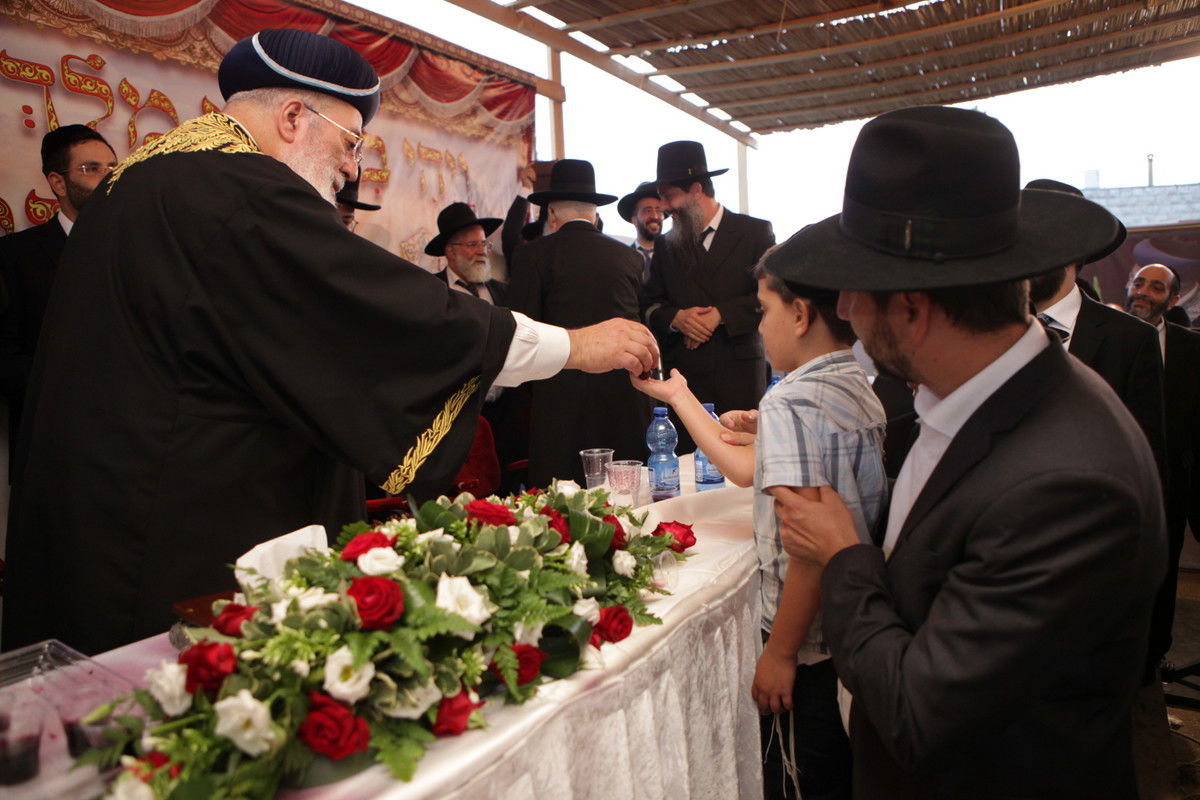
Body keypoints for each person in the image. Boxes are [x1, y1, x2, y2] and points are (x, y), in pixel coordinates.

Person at [1, 29, 657, 656]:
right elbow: (383, 314)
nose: (351, 168)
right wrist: (571, 346)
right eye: (350, 142)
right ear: (292, 117)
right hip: (173, 537)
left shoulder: (146, 184)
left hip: (99, 525)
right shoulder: (239, 191)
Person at [768, 106, 1164, 799]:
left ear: (914, 311)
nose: (849, 311)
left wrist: (844, 558)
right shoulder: (974, 398)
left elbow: (924, 716)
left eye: (857, 293)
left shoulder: (1066, 484)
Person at [633, 256, 885, 800]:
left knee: (798, 776)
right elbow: (745, 468)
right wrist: (679, 396)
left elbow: (810, 551)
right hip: (849, 631)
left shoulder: (792, 401)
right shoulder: (855, 383)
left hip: (807, 644)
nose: (759, 324)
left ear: (799, 315)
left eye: (765, 310)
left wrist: (780, 653)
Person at [507, 159, 650, 487]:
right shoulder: (630, 257)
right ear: (595, 215)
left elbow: (520, 332)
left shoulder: (532, 256)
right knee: (626, 502)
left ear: (552, 216)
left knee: (563, 507)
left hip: (560, 402)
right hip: (624, 401)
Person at [1026, 178, 1167, 474]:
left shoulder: (1130, 339)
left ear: (1076, 250)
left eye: (1041, 238)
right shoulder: (987, 328)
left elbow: (1147, 454)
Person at [642, 140, 774, 451]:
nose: (664, 207)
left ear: (697, 189)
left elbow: (770, 297)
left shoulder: (755, 232)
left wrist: (720, 315)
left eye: (670, 196)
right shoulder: (665, 244)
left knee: (741, 459)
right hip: (688, 379)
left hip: (738, 372)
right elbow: (647, 304)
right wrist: (678, 318)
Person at [0, 125, 117, 454]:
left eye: (113, 168)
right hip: (52, 445)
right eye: (91, 169)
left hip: (131, 447)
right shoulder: (16, 256)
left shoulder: (138, 250)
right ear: (57, 182)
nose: (107, 178)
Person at [1126, 263, 1200, 670]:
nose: (1144, 292)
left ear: (1172, 301)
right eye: (1139, 283)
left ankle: (1152, 659)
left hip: (1169, 484)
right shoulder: (1112, 338)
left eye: (1156, 287)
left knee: (1161, 572)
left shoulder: (1191, 349)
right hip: (1116, 480)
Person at [427, 201, 506, 305]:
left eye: (484, 243)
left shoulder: (502, 291)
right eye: (472, 244)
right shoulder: (430, 290)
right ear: (451, 251)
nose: (482, 251)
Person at [617, 180, 663, 283]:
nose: (655, 216)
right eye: (648, 210)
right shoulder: (624, 260)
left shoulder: (675, 257)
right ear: (634, 220)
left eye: (659, 210)